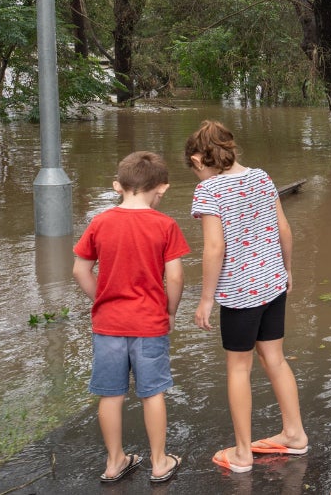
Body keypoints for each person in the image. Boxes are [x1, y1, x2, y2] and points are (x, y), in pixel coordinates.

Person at [186, 120, 309, 473]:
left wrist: (206, 299)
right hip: (272, 283)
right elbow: (284, 227)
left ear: (198, 159)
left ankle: (242, 453)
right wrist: (286, 270)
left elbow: (214, 247)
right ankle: (294, 434)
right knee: (275, 359)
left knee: (238, 368)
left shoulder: (209, 191)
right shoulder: (261, 177)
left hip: (240, 294)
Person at [72, 151, 189, 483]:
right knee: (152, 392)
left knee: (111, 395)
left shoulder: (100, 222)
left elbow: (80, 269)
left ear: (117, 186)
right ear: (161, 188)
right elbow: (176, 277)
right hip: (150, 324)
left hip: (108, 324)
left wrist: (103, 299)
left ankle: (114, 462)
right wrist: (169, 311)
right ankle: (159, 462)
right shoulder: (165, 225)